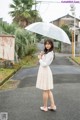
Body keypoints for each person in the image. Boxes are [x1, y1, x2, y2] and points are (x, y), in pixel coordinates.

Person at [36, 39, 56, 112]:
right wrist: (41, 55)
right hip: (44, 71)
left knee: (45, 90)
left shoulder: (50, 53)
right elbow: (44, 61)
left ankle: (45, 107)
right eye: (46, 44)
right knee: (48, 90)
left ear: (51, 45)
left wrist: (39, 59)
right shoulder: (47, 52)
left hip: (45, 72)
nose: (47, 45)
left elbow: (45, 64)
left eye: (49, 44)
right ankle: (52, 105)